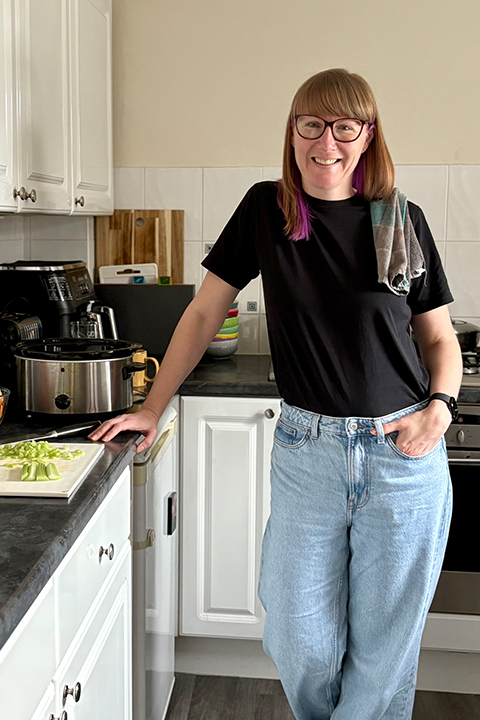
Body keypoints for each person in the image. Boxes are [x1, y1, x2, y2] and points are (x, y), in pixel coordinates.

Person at [91, 68, 463, 720]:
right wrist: (153, 406)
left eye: (345, 127)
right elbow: (204, 314)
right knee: (297, 636)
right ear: (292, 134)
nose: (328, 142)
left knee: (384, 655)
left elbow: (438, 340)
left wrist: (441, 408)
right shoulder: (267, 209)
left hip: (402, 452)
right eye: (311, 125)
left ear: (367, 135)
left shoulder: (401, 219)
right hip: (308, 451)